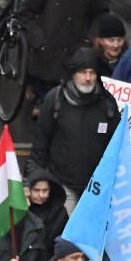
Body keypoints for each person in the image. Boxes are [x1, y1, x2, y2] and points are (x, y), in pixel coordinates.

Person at [28, 48, 120, 213]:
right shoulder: (55, 100)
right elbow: (41, 143)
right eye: (82, 72)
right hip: (62, 185)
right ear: (73, 74)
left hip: (95, 188)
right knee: (61, 235)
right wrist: (35, 178)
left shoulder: (108, 104)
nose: (88, 78)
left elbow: (116, 146)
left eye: (92, 72)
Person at [17, 0, 108, 102]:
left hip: (74, 55)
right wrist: (39, 40)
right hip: (46, 57)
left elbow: (100, 13)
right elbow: (25, 12)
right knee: (47, 105)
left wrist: (89, 39)